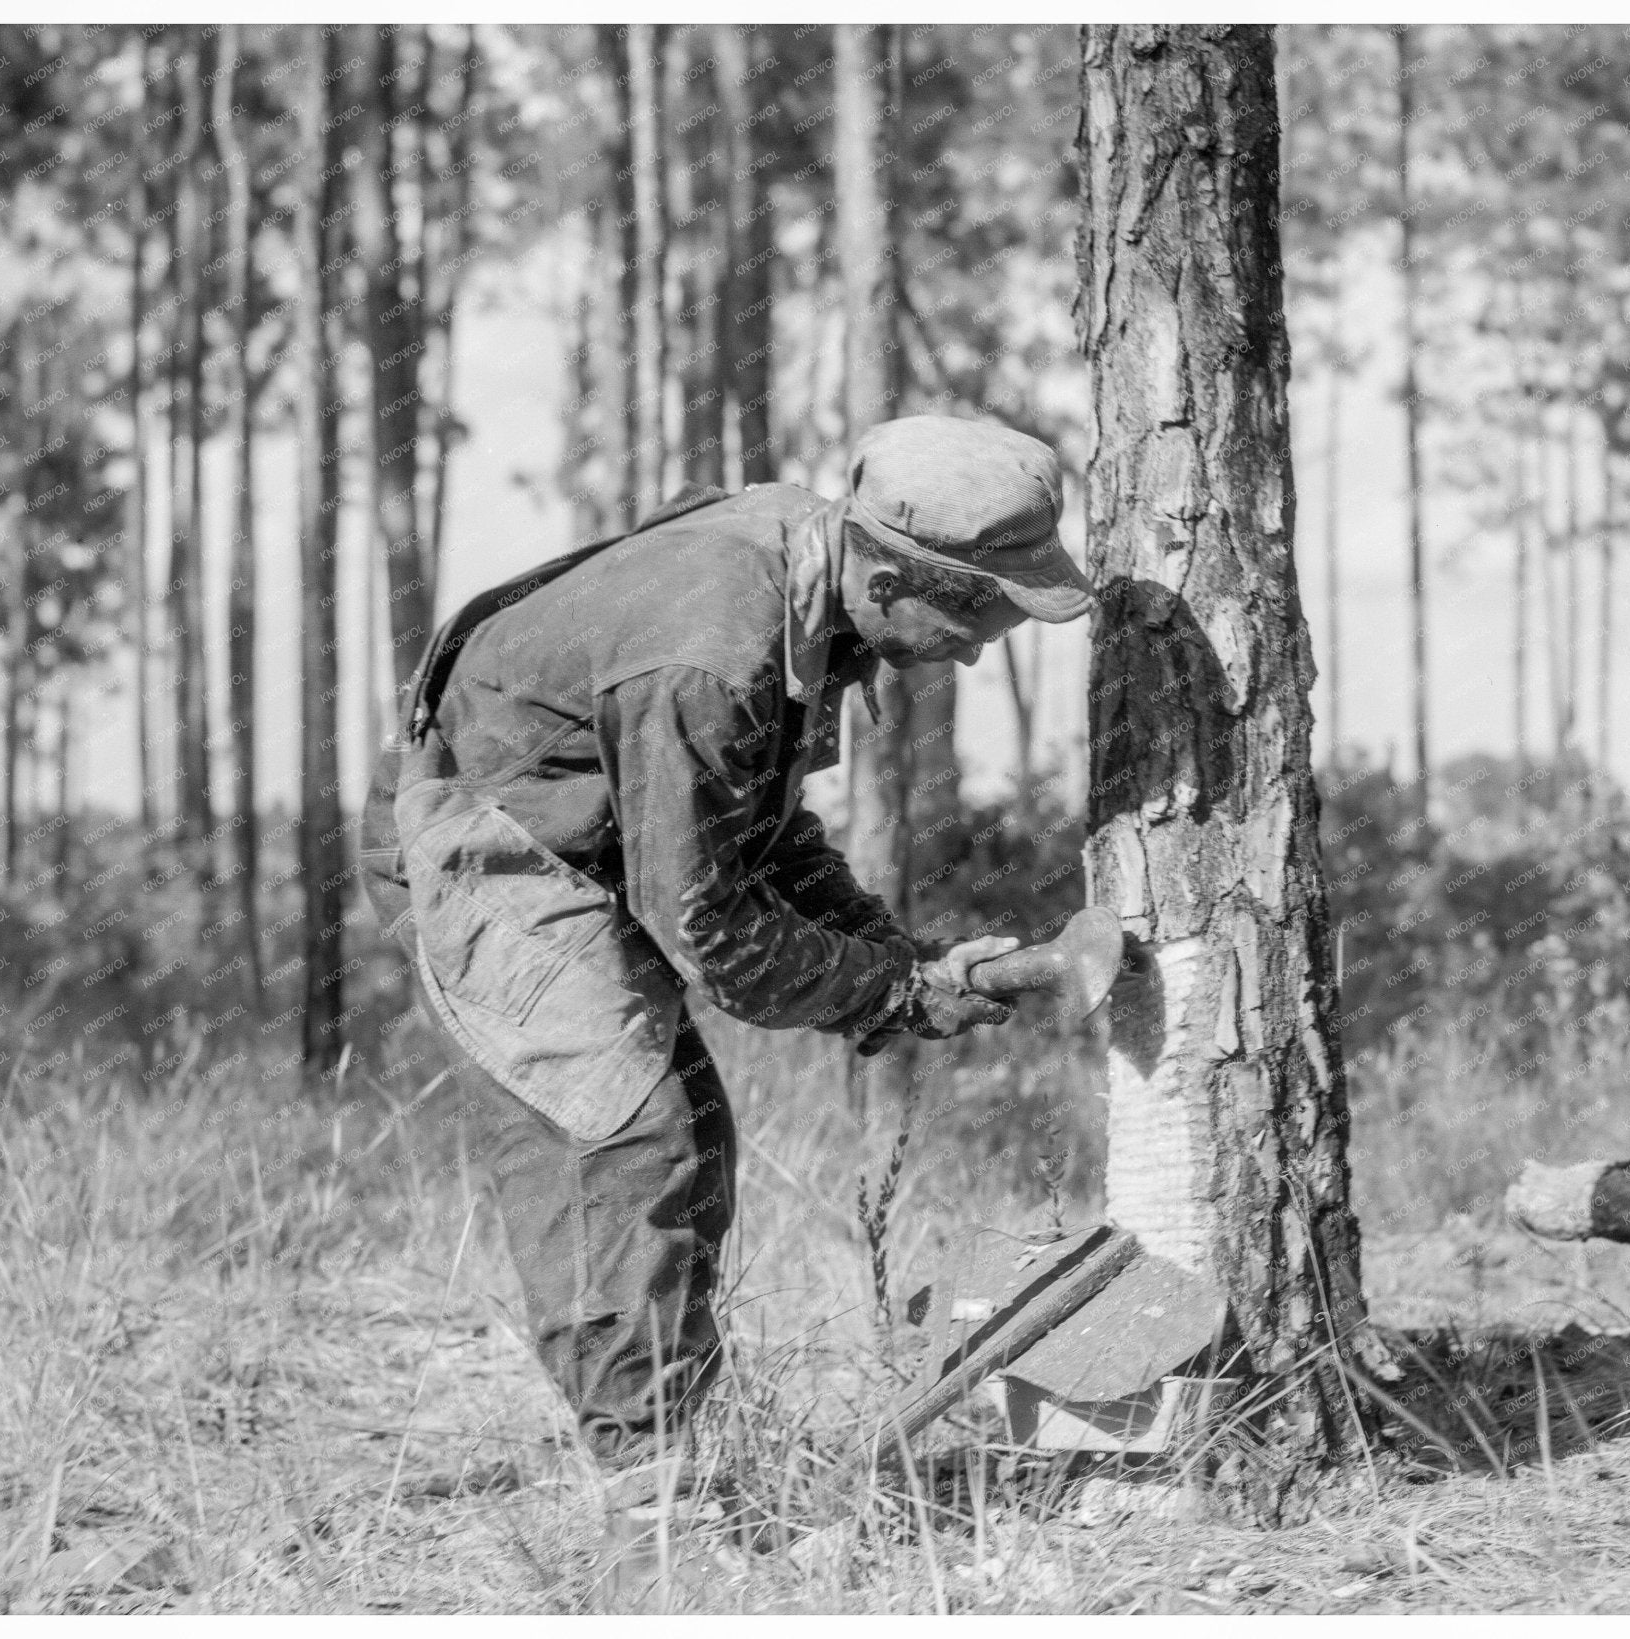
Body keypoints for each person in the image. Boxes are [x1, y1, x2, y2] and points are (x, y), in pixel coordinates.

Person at [358, 414, 1095, 1566]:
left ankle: (685, 1457)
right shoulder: (711, 651)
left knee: (691, 1129)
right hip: (495, 839)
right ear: (895, 574)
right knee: (624, 1141)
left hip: (590, 833)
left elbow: (761, 831)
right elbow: (712, 930)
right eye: (974, 617)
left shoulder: (809, 580)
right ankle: (653, 1521)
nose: (971, 652)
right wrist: (892, 996)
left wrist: (890, 953)